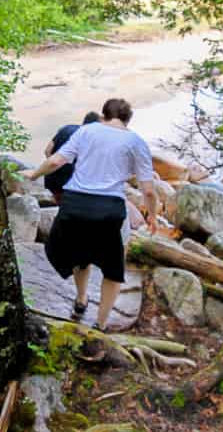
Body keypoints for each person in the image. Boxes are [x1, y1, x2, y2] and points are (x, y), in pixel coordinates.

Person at [22, 98, 157, 332]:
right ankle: (101, 324)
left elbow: (55, 160)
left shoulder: (87, 131)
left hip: (75, 204)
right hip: (109, 209)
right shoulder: (136, 142)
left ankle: (81, 299)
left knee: (79, 255)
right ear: (127, 120)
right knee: (114, 269)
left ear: (104, 116)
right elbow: (148, 190)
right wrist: (152, 216)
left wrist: (34, 174)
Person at [43, 111, 100, 204]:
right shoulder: (88, 137)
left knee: (61, 206)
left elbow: (47, 151)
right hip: (71, 184)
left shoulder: (66, 128)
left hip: (51, 179)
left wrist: (56, 168)